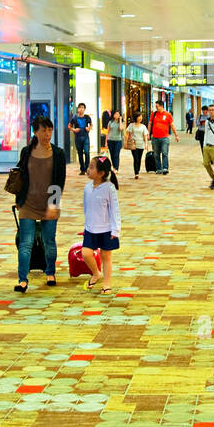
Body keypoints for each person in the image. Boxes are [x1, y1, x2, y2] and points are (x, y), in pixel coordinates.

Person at [13, 114, 66, 290]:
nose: (47, 134)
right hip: (28, 202)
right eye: (43, 130)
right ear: (35, 131)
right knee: (25, 242)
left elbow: (59, 181)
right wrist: (18, 199)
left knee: (49, 240)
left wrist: (53, 204)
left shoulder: (58, 153)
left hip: (49, 203)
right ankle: (22, 279)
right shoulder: (26, 152)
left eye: (50, 130)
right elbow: (20, 177)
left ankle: (50, 271)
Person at [80, 154, 120, 296]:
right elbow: (86, 208)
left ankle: (107, 284)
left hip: (107, 229)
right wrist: (86, 226)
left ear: (101, 173)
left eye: (92, 167)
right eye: (89, 166)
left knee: (106, 257)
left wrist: (115, 230)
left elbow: (114, 210)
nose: (88, 170)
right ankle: (96, 273)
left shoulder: (109, 188)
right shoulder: (87, 188)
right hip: (90, 228)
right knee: (86, 253)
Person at [149, 99, 177, 175]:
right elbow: (150, 124)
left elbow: (172, 125)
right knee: (156, 154)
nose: (156, 108)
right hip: (155, 137)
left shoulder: (168, 115)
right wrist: (148, 134)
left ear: (161, 106)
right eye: (156, 106)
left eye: (157, 106)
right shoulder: (153, 114)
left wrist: (176, 135)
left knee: (165, 153)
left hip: (164, 137)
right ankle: (158, 168)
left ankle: (165, 168)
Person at [69, 102, 92, 175]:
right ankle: (82, 169)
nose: (81, 109)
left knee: (87, 152)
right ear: (78, 109)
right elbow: (69, 126)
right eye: (80, 108)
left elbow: (91, 125)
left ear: (84, 109)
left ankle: (87, 168)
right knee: (80, 154)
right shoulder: (74, 118)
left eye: (83, 108)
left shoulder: (87, 117)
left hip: (85, 137)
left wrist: (89, 128)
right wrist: (74, 130)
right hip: (78, 137)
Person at [125, 111, 149, 178]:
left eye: (141, 116)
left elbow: (145, 135)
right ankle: (136, 173)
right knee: (136, 158)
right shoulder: (131, 125)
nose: (141, 118)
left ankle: (137, 170)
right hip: (134, 145)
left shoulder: (143, 126)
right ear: (136, 117)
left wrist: (146, 144)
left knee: (139, 159)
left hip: (141, 144)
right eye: (139, 116)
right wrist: (126, 142)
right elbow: (127, 134)